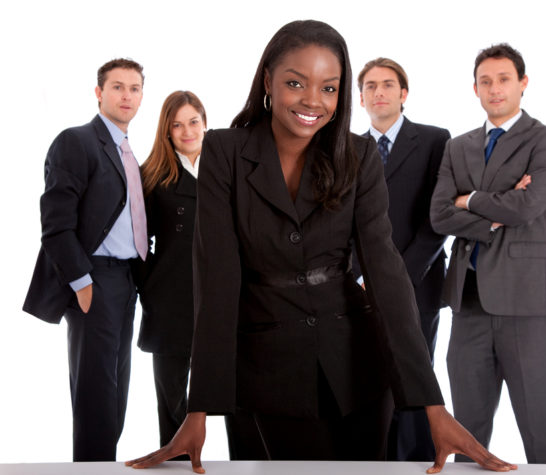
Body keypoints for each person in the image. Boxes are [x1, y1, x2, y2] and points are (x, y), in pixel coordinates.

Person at [127, 21, 515, 473]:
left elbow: (386, 272)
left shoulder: (358, 156)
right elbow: (216, 276)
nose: (313, 100)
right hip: (266, 369)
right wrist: (200, 409)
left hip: (358, 366)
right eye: (296, 83)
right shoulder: (224, 150)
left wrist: (432, 404)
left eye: (328, 88)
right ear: (268, 79)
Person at [430, 43, 546, 464]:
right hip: (468, 302)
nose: (494, 89)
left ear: (522, 84)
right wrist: (494, 211)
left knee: (542, 427)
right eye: (485, 81)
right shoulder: (458, 146)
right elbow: (438, 215)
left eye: (503, 79)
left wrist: (468, 200)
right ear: (475, 89)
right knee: (467, 437)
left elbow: (528, 207)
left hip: (527, 304)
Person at [23, 58, 146, 461]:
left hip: (127, 282)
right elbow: (55, 223)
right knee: (95, 398)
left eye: (134, 88)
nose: (126, 95)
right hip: (95, 280)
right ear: (99, 93)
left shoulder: (127, 151)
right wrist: (83, 283)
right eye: (117, 87)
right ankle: (93, 470)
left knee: (115, 397)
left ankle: (103, 466)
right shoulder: (76, 141)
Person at [355, 57, 450, 462]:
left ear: (403, 94)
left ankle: (415, 462)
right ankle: (374, 459)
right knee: (369, 373)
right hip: (360, 284)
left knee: (415, 369)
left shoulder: (433, 140)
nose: (380, 92)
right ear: (360, 98)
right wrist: (358, 276)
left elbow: (438, 216)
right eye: (371, 86)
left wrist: (403, 276)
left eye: (388, 84)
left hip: (418, 279)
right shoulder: (348, 148)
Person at [138, 91, 207, 449]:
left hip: (219, 298)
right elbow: (134, 242)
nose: (186, 131)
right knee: (172, 403)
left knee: (235, 395)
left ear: (205, 123)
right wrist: (148, 284)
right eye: (176, 125)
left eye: (193, 122)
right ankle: (176, 465)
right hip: (170, 300)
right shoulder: (152, 176)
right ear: (166, 131)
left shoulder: (227, 170)